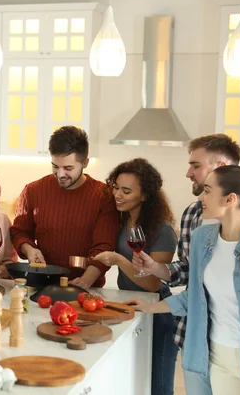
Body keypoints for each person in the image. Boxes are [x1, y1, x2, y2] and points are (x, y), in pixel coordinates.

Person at [133, 134, 240, 395]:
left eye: (196, 166)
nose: (199, 195)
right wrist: (148, 298)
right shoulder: (199, 232)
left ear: (229, 197)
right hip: (210, 352)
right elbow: (193, 291)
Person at [91, 158, 178, 395]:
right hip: (129, 306)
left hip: (157, 311)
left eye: (126, 191)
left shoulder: (163, 230)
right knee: (132, 382)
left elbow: (152, 284)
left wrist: (120, 260)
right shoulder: (121, 219)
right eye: (116, 187)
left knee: (158, 386)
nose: (117, 195)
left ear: (145, 195)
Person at [10, 126, 120, 288]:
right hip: (41, 286)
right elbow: (19, 232)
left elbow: (103, 247)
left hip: (87, 289)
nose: (60, 174)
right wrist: (29, 250)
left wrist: (85, 281)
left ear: (85, 163)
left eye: (68, 168)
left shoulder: (104, 196)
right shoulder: (33, 191)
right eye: (55, 166)